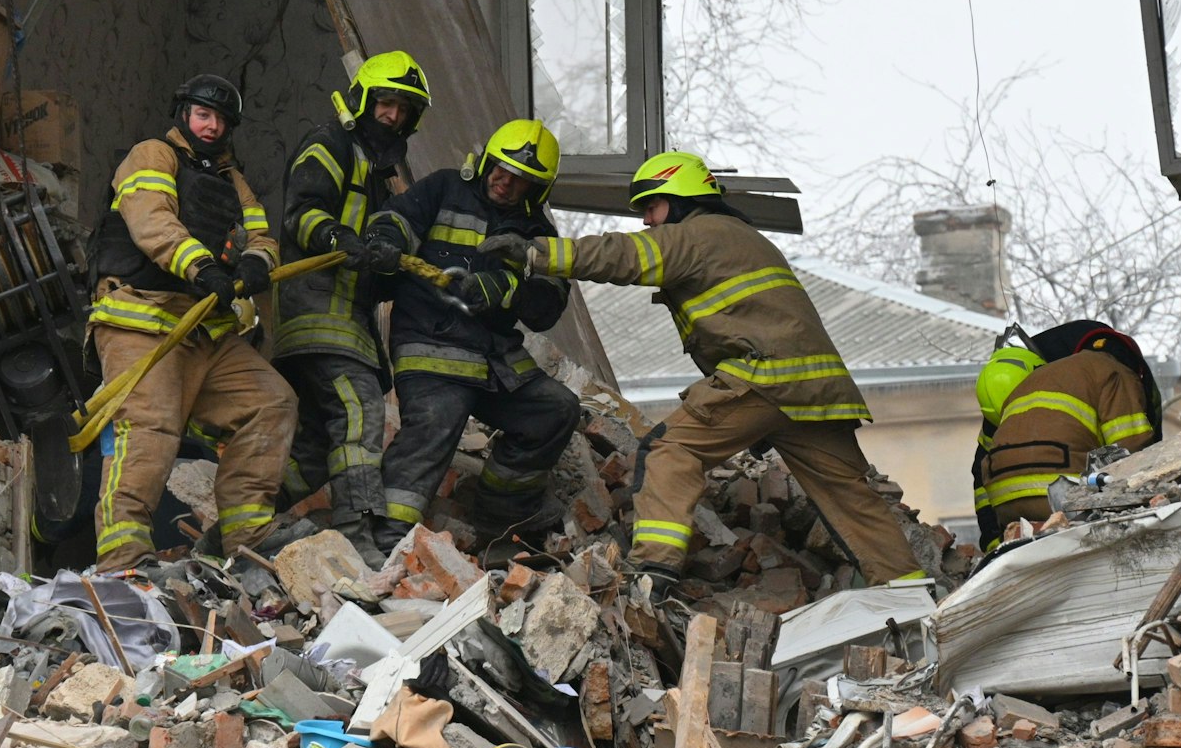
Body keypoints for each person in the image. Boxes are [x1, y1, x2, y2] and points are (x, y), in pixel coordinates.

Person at [481, 151, 924, 593]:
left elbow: (625, 256)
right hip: (815, 390)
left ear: (678, 199)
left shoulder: (698, 234)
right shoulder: (744, 238)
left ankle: (653, 574)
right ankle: (910, 593)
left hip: (764, 376)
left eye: (651, 207)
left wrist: (537, 253)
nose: (647, 221)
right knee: (850, 496)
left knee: (668, 452)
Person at [83, 74, 299, 570]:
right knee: (149, 431)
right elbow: (151, 220)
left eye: (222, 120)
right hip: (142, 319)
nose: (212, 126)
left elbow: (263, 236)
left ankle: (248, 537)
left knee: (271, 402)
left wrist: (254, 265)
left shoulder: (231, 180)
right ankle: (124, 561)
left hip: (205, 330)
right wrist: (200, 266)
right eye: (204, 115)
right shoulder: (152, 155)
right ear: (183, 114)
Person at [360, 119, 579, 550]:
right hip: (431, 346)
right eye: (500, 168)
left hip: (494, 359)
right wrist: (384, 241)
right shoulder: (442, 188)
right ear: (484, 163)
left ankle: (499, 519)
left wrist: (508, 289)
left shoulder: (536, 235)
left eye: (521, 180)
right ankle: (385, 543)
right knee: (435, 426)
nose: (505, 182)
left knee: (555, 411)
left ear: (537, 191)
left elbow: (547, 307)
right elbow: (397, 221)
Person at [274, 52, 429, 562]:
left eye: (404, 110)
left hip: (348, 324)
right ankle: (358, 541)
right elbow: (301, 214)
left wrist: (387, 263)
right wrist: (342, 237)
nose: (393, 117)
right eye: (386, 103)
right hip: (321, 317)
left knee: (316, 451)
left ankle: (242, 524)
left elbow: (374, 273)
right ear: (363, 100)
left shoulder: (383, 178)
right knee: (360, 414)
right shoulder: (330, 144)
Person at [971, 319, 1161, 546]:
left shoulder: (1025, 386)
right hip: (1061, 495)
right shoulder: (1113, 372)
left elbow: (982, 471)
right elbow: (1132, 448)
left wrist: (993, 541)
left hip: (1005, 508)